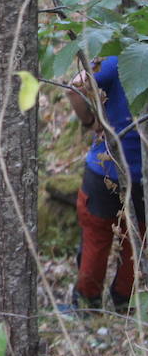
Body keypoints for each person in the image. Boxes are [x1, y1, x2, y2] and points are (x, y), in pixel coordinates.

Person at [65, 55, 144, 313]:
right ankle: (124, 302)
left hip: (104, 168)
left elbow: (76, 86)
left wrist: (91, 122)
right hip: (141, 177)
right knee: (137, 239)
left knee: (96, 238)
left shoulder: (121, 57)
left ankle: (88, 304)